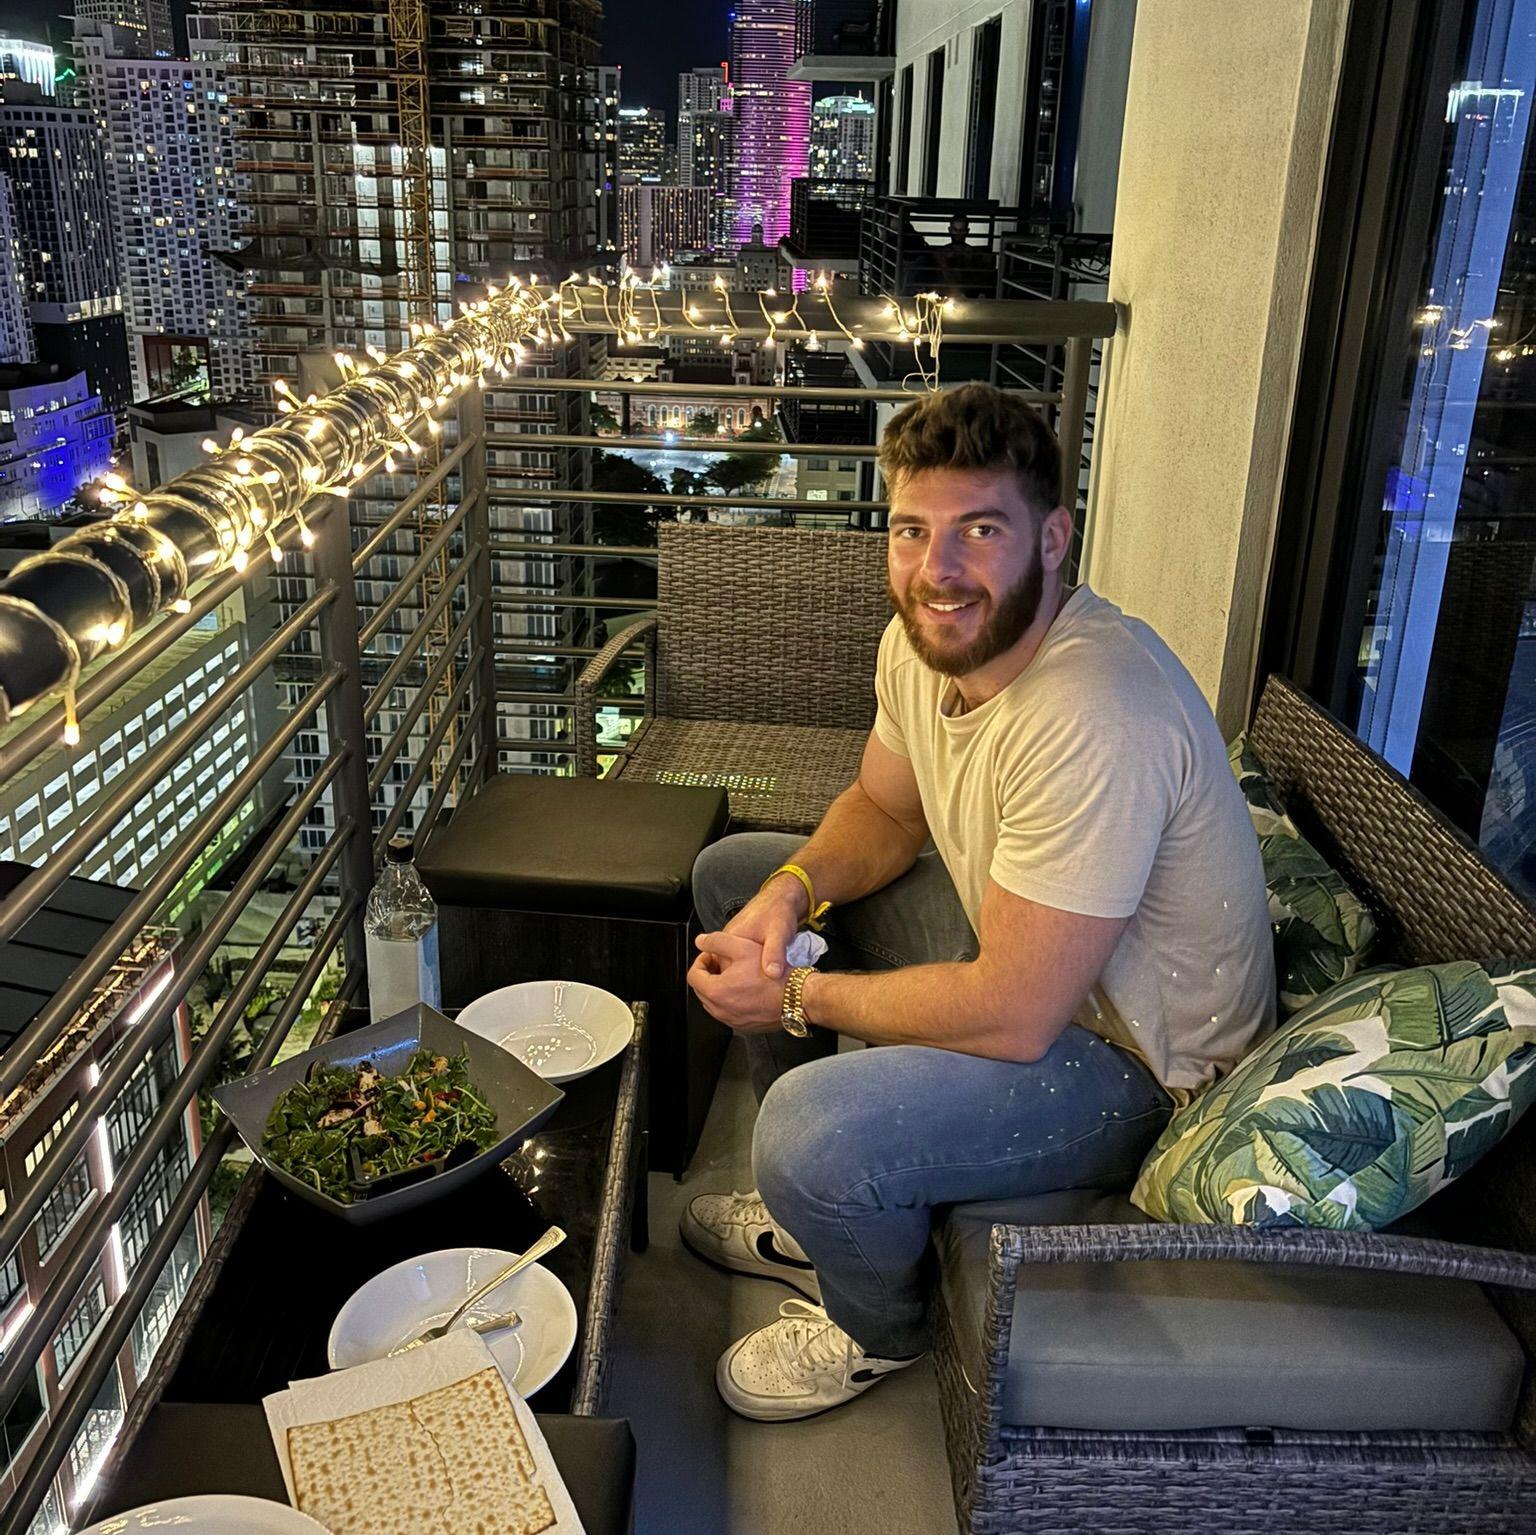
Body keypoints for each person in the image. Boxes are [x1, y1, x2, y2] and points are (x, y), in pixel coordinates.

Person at [681, 382, 1277, 1423]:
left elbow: (1012, 1010)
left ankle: (880, 1326)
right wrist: (789, 896)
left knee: (805, 1133)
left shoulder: (1094, 708)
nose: (937, 569)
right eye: (913, 530)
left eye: (979, 530)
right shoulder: (924, 643)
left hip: (1140, 1062)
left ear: (1053, 538)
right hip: (1033, 954)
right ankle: (823, 1215)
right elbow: (882, 806)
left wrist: (793, 999)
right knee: (739, 874)